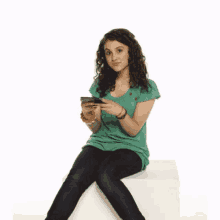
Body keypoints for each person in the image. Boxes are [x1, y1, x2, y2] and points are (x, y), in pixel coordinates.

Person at [45, 28, 161, 220]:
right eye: (108, 52)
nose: (113, 57)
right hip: (98, 145)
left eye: (119, 50)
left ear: (131, 51)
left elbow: (134, 130)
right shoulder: (101, 85)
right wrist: (89, 118)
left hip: (130, 149)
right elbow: (97, 128)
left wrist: (121, 112)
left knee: (105, 175)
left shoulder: (146, 88)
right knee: (74, 179)